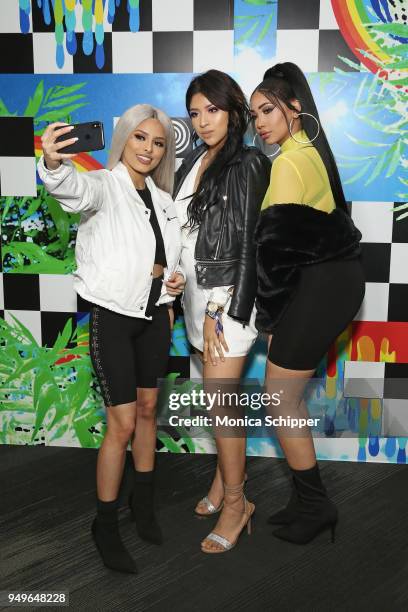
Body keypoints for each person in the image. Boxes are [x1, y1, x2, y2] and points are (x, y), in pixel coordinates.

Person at [38, 104, 185, 573]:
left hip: (156, 319)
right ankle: (105, 523)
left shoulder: (164, 201)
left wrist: (172, 280)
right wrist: (54, 164)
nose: (149, 148)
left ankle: (142, 505)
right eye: (140, 138)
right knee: (120, 425)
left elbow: (167, 259)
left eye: (158, 142)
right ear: (124, 139)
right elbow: (70, 190)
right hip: (114, 319)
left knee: (147, 413)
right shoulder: (103, 185)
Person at [250, 63, 365, 544]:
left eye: (268, 110)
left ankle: (317, 506)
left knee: (280, 397)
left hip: (322, 287)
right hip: (332, 282)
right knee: (285, 396)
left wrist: (270, 319)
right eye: (255, 113)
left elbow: (274, 255)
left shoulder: (290, 162)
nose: (259, 122)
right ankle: (304, 500)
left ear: (295, 110)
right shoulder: (308, 153)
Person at [173, 69, 271, 553]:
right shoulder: (194, 159)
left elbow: (246, 243)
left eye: (212, 109)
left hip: (225, 305)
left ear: (233, 111)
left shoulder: (249, 162)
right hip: (194, 301)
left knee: (221, 402)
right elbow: (187, 234)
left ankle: (237, 503)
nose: (203, 120)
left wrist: (219, 309)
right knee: (217, 404)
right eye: (195, 112)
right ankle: (222, 482)